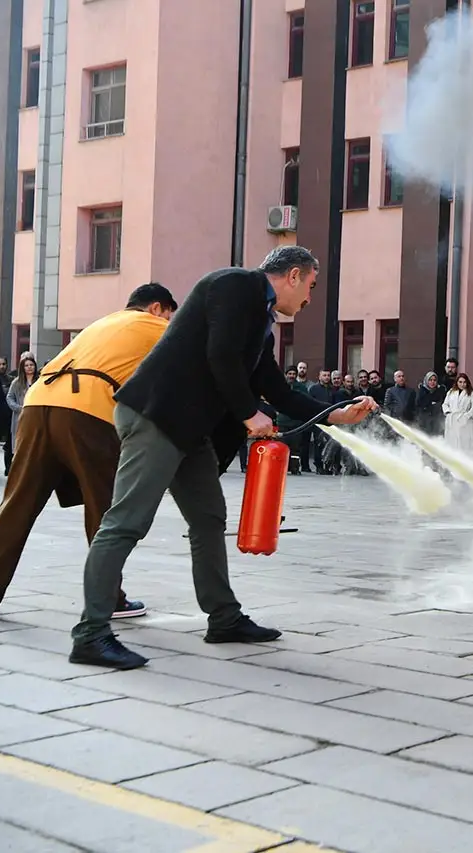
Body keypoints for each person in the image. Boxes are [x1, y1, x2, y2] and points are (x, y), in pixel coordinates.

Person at [68, 247, 377, 670]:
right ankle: (90, 633)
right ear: (292, 276)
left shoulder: (260, 325)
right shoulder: (233, 285)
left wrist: (337, 414)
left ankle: (224, 618)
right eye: (310, 286)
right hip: (157, 414)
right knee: (126, 522)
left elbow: (278, 390)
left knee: (210, 518)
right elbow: (221, 356)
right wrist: (251, 415)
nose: (309, 298)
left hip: (189, 429)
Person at [0, 284, 178, 619]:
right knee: (105, 506)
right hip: (84, 410)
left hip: (38, 403)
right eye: (169, 315)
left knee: (17, 503)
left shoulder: (102, 324)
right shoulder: (156, 325)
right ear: (157, 308)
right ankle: (108, 596)